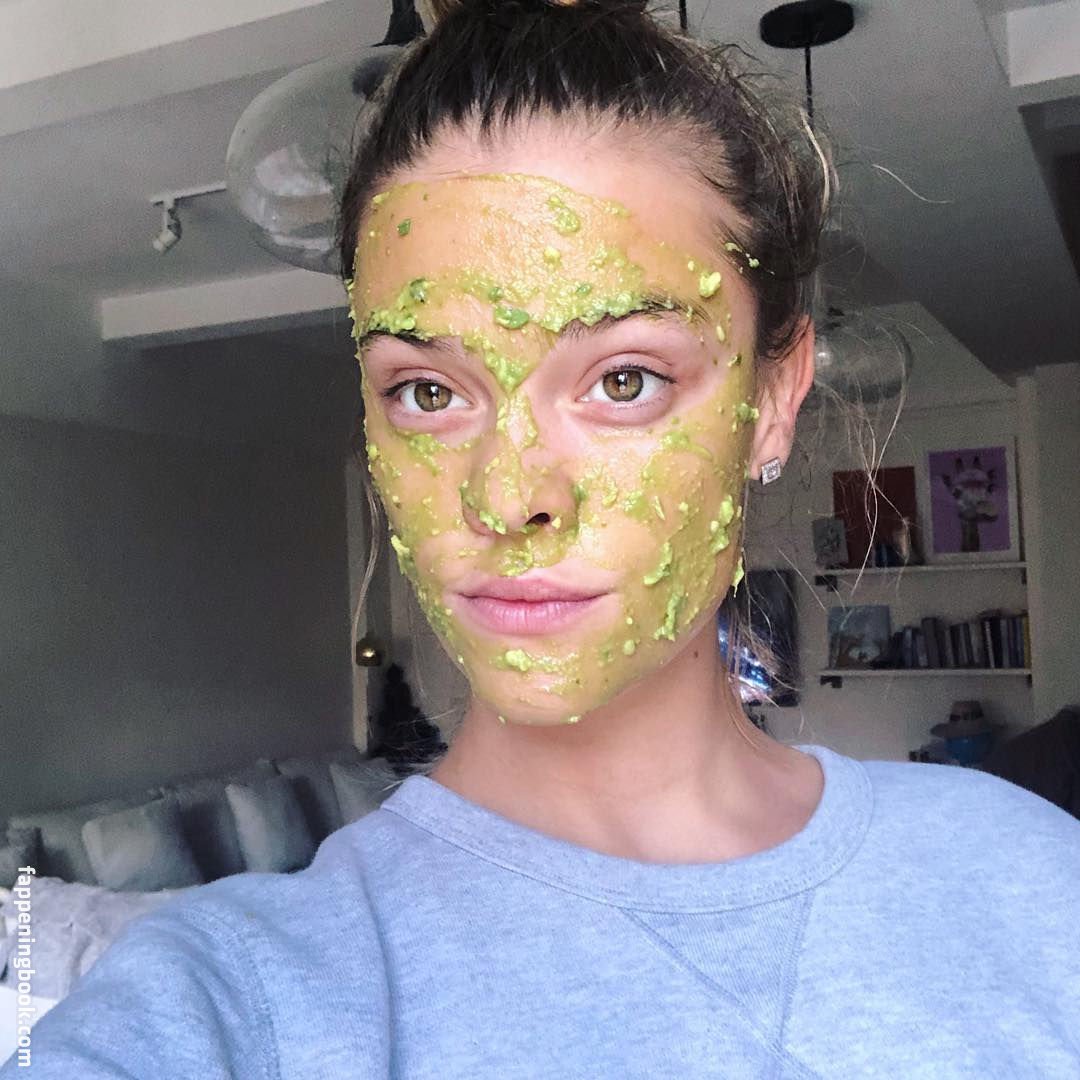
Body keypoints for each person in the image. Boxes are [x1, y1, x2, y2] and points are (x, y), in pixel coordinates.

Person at [7, 1, 1079, 1076]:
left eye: (626, 380)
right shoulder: (228, 998)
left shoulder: (1029, 875)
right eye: (429, 391)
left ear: (772, 399)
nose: (509, 496)